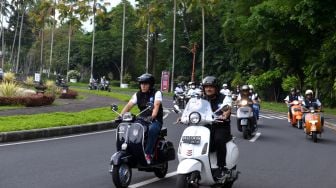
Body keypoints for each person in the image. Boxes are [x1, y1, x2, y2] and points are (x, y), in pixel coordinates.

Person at [120, 73, 164, 165]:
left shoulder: (157, 93)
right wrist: (120, 115)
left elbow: (156, 106)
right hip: (142, 119)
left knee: (152, 129)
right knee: (131, 127)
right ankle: (131, 151)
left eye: (145, 83)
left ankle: (148, 153)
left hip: (155, 120)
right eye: (141, 83)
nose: (143, 86)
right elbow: (129, 105)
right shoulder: (138, 94)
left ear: (150, 84)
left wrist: (152, 116)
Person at [202, 76, 232, 179]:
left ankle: (221, 167)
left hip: (221, 126)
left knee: (218, 139)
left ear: (216, 88)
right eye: (206, 87)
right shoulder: (202, 98)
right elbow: (195, 108)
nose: (208, 89)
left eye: (211, 87)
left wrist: (225, 115)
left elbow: (227, 107)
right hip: (206, 126)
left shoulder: (224, 97)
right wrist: (185, 116)